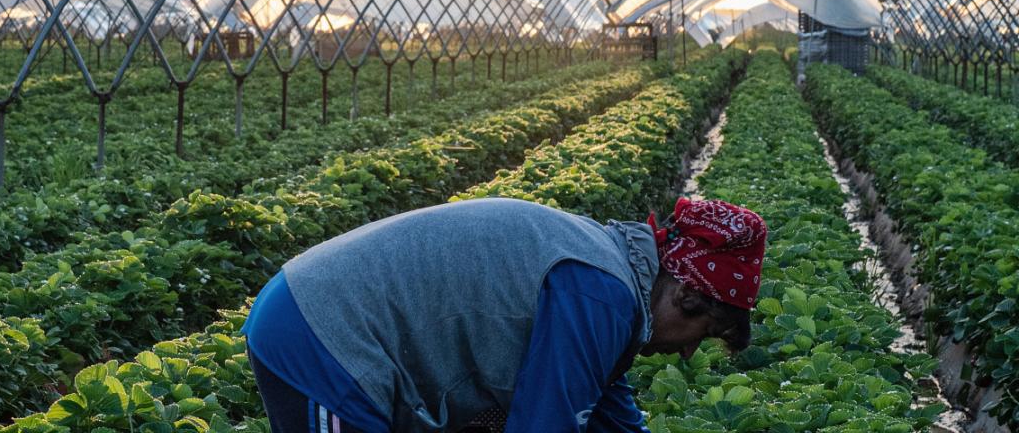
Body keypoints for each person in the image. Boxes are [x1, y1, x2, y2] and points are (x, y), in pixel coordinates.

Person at [242, 196, 767, 433]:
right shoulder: (600, 295)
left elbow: (609, 416)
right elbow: (546, 426)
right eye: (702, 333)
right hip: (323, 335)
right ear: (686, 296)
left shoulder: (610, 280)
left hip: (320, 317)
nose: (688, 351)